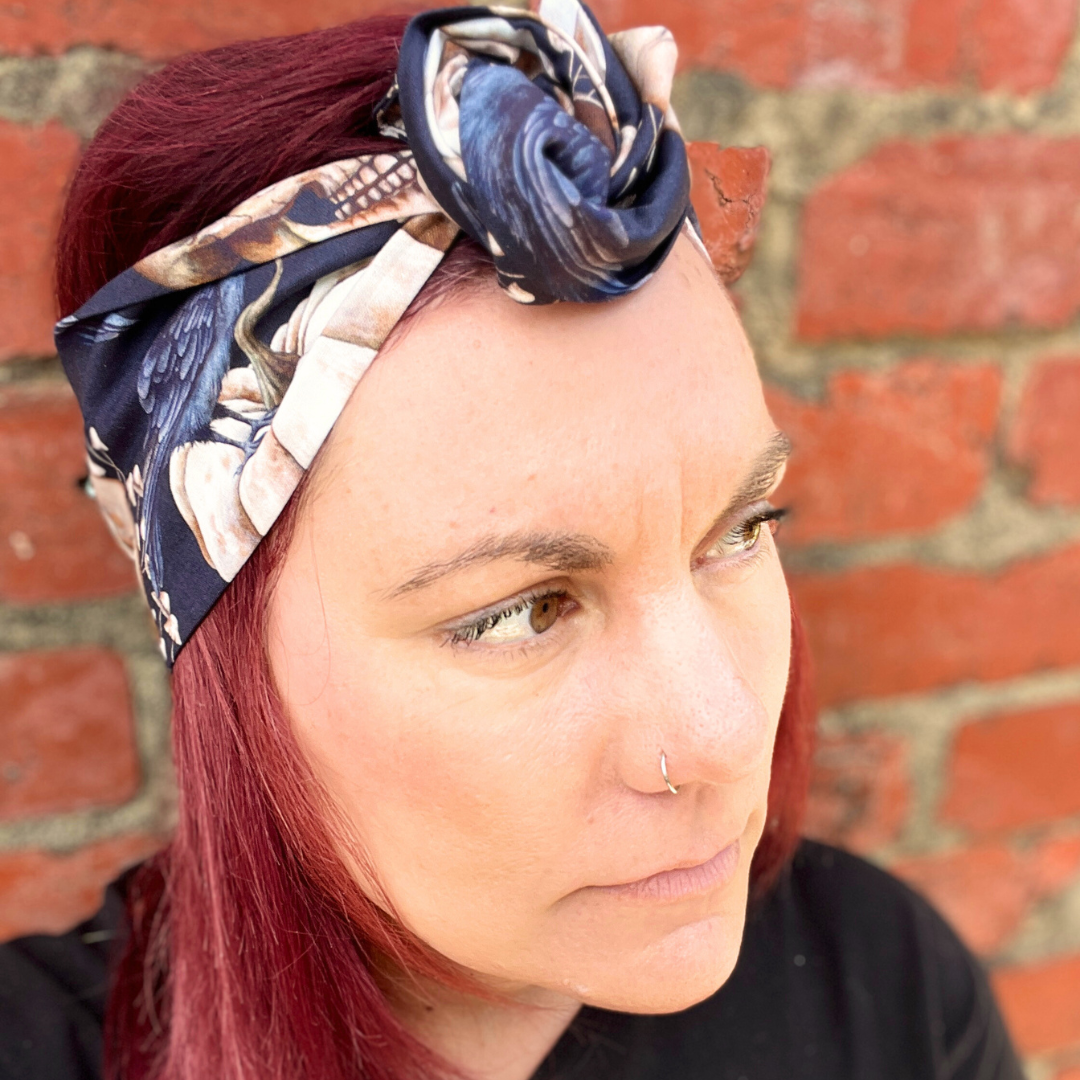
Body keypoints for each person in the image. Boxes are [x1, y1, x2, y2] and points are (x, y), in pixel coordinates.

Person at [0, 4, 1024, 1079]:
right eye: (520, 610)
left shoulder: (888, 991)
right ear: (227, 653)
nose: (724, 736)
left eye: (739, 529)